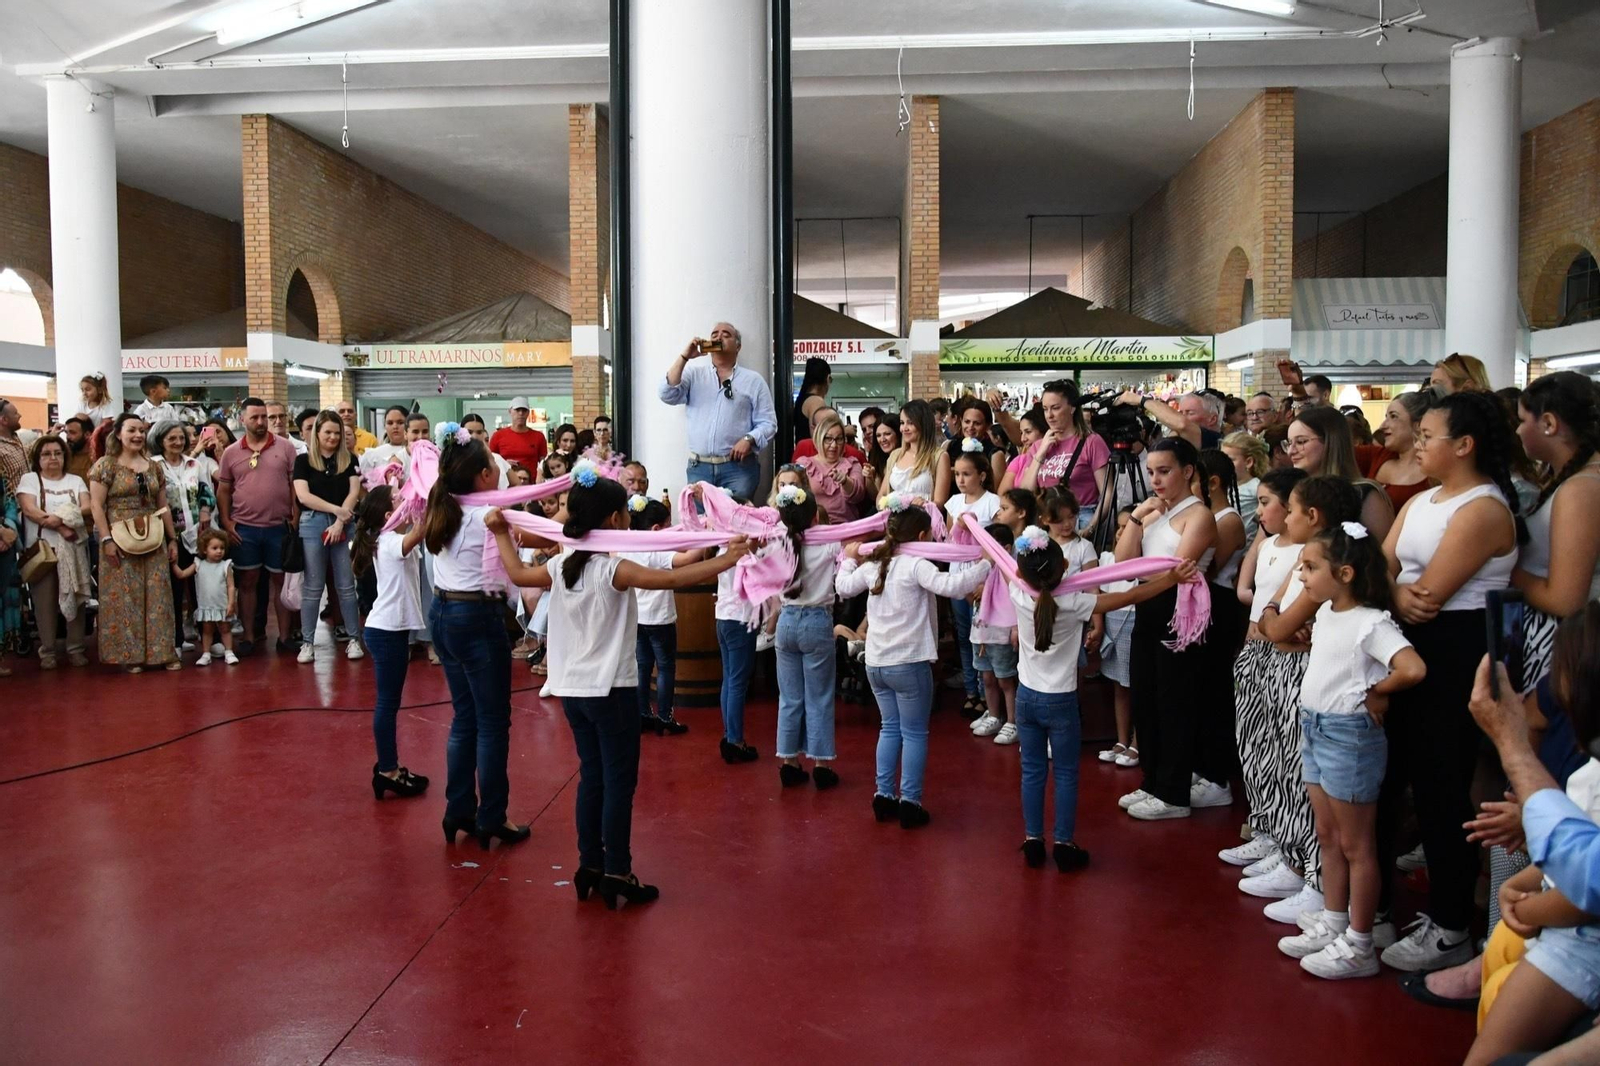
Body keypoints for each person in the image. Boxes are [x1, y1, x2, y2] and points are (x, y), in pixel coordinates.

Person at [485, 466, 752, 908]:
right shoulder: (613, 569)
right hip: (612, 691)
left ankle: (589, 864)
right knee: (618, 783)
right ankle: (618, 871)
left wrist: (498, 532)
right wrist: (728, 558)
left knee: (592, 777)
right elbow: (670, 580)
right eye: (625, 514)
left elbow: (516, 574)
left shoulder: (559, 566)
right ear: (613, 520)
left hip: (572, 692)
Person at [1377, 389, 1523, 973]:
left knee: (1443, 787)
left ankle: (1451, 922)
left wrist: (1398, 591)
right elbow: (1383, 568)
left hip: (1456, 652)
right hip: (1411, 645)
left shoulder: (1484, 509)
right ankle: (1381, 904)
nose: (1417, 444)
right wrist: (1393, 591)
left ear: (1463, 446)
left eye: (1427, 436)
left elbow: (1430, 596)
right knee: (1392, 780)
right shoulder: (1423, 502)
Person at [1274, 522, 1426, 980]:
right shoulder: (1326, 614)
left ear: (1344, 573)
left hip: (1349, 735)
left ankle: (1360, 943)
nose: (1301, 576)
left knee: (1357, 845)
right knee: (1328, 835)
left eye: (1310, 567)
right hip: (1316, 727)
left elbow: (1412, 668)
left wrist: (1378, 691)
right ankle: (1335, 920)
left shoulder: (1371, 621)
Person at [1009, 526, 1196, 870]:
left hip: (1026, 698)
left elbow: (1008, 564)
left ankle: (1033, 839)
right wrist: (1171, 578)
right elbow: (1129, 597)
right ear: (1064, 565)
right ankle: (1064, 843)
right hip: (1062, 702)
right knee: (1065, 774)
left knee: (1032, 771)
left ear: (1021, 572)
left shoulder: (1017, 590)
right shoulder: (1077, 602)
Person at [1464, 609, 1600, 1065]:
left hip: (1581, 938)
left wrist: (1528, 906)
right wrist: (1519, 883)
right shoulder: (1590, 767)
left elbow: (1589, 891)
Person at [837, 495, 991, 829]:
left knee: (889, 728)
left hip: (876, 662)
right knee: (915, 733)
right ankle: (910, 801)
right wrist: (985, 563)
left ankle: (883, 795)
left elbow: (843, 587)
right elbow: (950, 585)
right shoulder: (917, 563)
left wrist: (849, 559)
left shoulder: (876, 561)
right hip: (909, 662)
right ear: (922, 537)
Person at [1250, 476, 1365, 921]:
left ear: (1312, 516)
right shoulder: (1304, 556)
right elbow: (1269, 618)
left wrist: (1279, 620)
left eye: (1290, 510)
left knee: (1309, 786)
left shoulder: (1328, 560)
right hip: (1293, 670)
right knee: (1282, 766)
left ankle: (1316, 877)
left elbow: (1276, 625)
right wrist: (1277, 619)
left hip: (1319, 685)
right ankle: (1290, 851)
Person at [424, 433, 524, 850]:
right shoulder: (487, 516)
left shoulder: (445, 506)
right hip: (476, 618)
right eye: (495, 463)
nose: (500, 467)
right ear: (485, 475)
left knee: (465, 718)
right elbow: (522, 550)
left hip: (443, 613)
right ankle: (492, 816)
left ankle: (458, 809)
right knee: (492, 723)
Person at [1113, 438, 1218, 821]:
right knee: (1146, 698)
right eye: (1151, 471)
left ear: (1187, 471)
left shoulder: (1199, 515)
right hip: (1147, 606)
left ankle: (1174, 791)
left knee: (1175, 703)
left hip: (1180, 612)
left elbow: (1176, 571)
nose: (1155, 479)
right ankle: (1153, 780)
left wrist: (1143, 570)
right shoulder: (1156, 512)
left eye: (1164, 471)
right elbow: (1123, 560)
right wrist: (1139, 517)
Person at [1225, 467, 1309, 869]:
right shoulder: (1272, 543)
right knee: (1254, 744)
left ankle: (1289, 843)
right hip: (1254, 651)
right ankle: (1264, 825)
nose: (1259, 511)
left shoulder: (1305, 552)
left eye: (1265, 502)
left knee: (1284, 752)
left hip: (1286, 654)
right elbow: (1253, 582)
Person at [1513, 371, 1600, 695]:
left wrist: (1507, 569)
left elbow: (1565, 599)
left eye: (1523, 420)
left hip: (1564, 650)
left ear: (1549, 423)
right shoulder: (1573, 479)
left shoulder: (1581, 490)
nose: (1518, 430)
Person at [350, 485, 430, 801]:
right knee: (387, 702)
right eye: (399, 500)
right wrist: (423, 501)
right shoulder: (391, 541)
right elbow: (420, 530)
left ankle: (388, 765)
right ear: (389, 515)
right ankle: (388, 770)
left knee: (390, 701)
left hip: (387, 629)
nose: (406, 500)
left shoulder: (387, 539)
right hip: (385, 631)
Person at [88, 413, 181, 673]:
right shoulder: (105, 466)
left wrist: (172, 538)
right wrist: (106, 539)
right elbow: (97, 505)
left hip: (153, 535)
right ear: (118, 433)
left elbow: (163, 507)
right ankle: (130, 655)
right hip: (118, 537)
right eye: (132, 430)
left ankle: (162, 652)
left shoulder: (154, 467)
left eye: (141, 430)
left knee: (159, 593)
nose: (138, 435)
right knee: (125, 595)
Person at [770, 481, 844, 789]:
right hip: (816, 621)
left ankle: (788, 759)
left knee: (789, 697)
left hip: (786, 621)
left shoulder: (777, 544)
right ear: (815, 518)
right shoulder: (828, 545)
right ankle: (822, 764)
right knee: (820, 696)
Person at [659, 322, 777, 502]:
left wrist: (749, 439)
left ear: (738, 346)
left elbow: (769, 423)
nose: (718, 337)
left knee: (735, 524)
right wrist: (685, 356)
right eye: (714, 334)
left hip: (738, 469)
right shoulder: (694, 375)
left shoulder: (753, 380)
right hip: (699, 468)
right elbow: (667, 394)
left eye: (726, 334)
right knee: (702, 524)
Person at [216, 398, 297, 656]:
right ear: (243, 420)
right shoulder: (230, 452)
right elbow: (224, 489)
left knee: (281, 582)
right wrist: (227, 521)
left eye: (264, 417)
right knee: (247, 582)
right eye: (255, 417)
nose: (261, 422)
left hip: (279, 527)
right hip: (245, 529)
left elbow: (295, 484)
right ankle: (249, 637)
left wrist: (294, 517)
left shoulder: (285, 448)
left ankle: (284, 638)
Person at [621, 498, 698, 737]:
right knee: (665, 668)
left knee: (642, 667)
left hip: (637, 619)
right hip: (660, 620)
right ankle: (665, 717)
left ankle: (642, 713)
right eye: (668, 525)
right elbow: (686, 560)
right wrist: (705, 535)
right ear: (656, 529)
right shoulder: (656, 550)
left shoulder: (626, 545)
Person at [293, 410, 365, 663]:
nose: (333, 437)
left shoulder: (350, 459)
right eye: (328, 432)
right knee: (312, 586)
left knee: (346, 584)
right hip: (313, 524)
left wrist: (339, 522)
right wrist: (337, 511)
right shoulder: (303, 461)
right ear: (317, 434)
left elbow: (354, 491)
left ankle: (355, 639)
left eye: (337, 432)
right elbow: (303, 496)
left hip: (343, 526)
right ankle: (308, 643)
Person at [16, 436, 91, 668]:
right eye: (47, 454)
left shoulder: (76, 480)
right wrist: (60, 525)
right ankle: (47, 651)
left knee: (75, 598)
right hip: (43, 551)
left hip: (73, 549)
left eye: (58, 453)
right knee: (44, 602)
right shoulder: (29, 480)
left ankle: (75, 648)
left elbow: (87, 506)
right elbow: (29, 509)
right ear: (37, 458)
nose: (53, 458)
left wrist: (62, 518)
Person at [1004, 381, 1110, 531]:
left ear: (1072, 408)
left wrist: (1091, 527)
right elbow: (1026, 491)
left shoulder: (1091, 442)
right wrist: (1041, 453)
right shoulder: (1038, 446)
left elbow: (1107, 492)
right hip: (1046, 520)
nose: (1050, 415)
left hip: (1079, 518)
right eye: (1045, 409)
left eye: (1056, 408)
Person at [946, 449, 1002, 722]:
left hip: (982, 579)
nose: (960, 479)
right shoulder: (954, 502)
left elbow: (997, 542)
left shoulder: (992, 503)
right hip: (959, 576)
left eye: (966, 474)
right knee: (963, 634)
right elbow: (949, 541)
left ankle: (984, 692)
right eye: (956, 474)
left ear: (982, 475)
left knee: (980, 635)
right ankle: (971, 691)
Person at [1285, 404, 1396, 543]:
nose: (1291, 451)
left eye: (1301, 441)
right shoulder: (1295, 491)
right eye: (1289, 443)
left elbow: (1382, 557)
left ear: (1330, 442)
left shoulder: (1365, 493)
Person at [151, 419, 215, 650]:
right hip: (169, 536)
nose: (178, 442)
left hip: (197, 533)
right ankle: (175, 640)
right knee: (174, 591)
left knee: (204, 587)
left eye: (181, 438)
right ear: (160, 441)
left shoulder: (193, 464)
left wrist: (206, 509)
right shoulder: (153, 465)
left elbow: (206, 491)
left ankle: (211, 639)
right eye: (172, 438)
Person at [1095, 508, 1143, 769]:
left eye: (1130, 527)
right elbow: (1101, 593)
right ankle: (1122, 739)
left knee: (1136, 685)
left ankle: (1138, 741)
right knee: (1118, 686)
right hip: (1114, 624)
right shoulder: (1107, 557)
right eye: (1119, 527)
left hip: (1133, 622)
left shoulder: (1145, 565)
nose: (1122, 532)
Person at [971, 522, 1021, 745]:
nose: (984, 552)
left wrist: (1015, 627)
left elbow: (1018, 601)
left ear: (1007, 548)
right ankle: (994, 716)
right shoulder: (981, 568)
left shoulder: (1012, 572)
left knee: (1006, 680)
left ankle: (1013, 721)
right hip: (981, 632)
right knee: (987, 678)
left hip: (1001, 634)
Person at [172, 528, 239, 666]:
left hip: (221, 605)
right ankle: (206, 653)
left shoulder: (226, 566)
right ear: (204, 549)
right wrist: (173, 564)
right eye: (214, 548)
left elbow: (231, 586)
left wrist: (231, 603)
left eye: (221, 548)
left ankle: (229, 652)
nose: (219, 551)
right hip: (206, 606)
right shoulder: (198, 564)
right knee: (207, 630)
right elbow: (182, 574)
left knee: (225, 629)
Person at [795, 411, 866, 524]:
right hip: (812, 528)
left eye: (839, 439)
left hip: (845, 527)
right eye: (828, 439)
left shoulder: (853, 464)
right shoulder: (804, 465)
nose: (834, 445)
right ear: (819, 438)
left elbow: (858, 496)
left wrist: (845, 481)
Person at [1369, 392, 1434, 512]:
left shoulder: (1435, 472)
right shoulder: (1377, 455)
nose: (1383, 426)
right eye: (1386, 417)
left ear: (1417, 425)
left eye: (1393, 416)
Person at [885, 399, 950, 505]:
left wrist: (924, 505)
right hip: (895, 519)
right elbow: (882, 495)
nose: (904, 428)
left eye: (910, 423)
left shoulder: (939, 456)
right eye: (902, 423)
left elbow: (940, 502)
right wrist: (885, 505)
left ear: (923, 424)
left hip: (924, 519)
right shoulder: (895, 455)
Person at [944, 397, 1008, 490]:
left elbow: (996, 490)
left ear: (987, 425)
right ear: (961, 421)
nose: (971, 427)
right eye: (967, 422)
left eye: (977, 423)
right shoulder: (950, 445)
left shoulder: (995, 454)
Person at [1221, 431, 1268, 539]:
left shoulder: (1256, 487)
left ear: (1248, 462)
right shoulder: (1223, 486)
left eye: (1230, 460)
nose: (1224, 464)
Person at [489, 397, 548, 473]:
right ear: (510, 411)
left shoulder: (539, 436)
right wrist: (504, 464)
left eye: (524, 410)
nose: (521, 413)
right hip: (506, 482)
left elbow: (543, 463)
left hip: (530, 482)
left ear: (528, 413)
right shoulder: (498, 436)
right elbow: (490, 462)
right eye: (517, 410)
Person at [359, 406, 412, 480]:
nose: (395, 426)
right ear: (385, 426)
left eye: (400, 422)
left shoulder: (417, 452)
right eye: (390, 423)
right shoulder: (373, 455)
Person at [793, 356, 832, 450]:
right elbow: (819, 435)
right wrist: (844, 431)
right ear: (828, 379)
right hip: (812, 458)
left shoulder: (801, 400)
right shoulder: (816, 401)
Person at [866, 417, 901, 495]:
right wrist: (869, 478)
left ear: (899, 434)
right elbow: (877, 497)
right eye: (878, 435)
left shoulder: (907, 457)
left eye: (887, 434)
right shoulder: (878, 458)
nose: (882, 439)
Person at [0, 399, 26, 500]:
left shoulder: (15, 438)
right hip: (12, 512)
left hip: (27, 508)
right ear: (4, 420)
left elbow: (26, 451)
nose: (20, 415)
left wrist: (51, 435)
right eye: (15, 413)